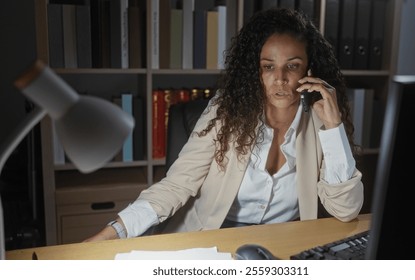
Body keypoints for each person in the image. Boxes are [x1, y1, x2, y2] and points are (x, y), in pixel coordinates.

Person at [85, 8, 363, 242]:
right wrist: (113, 232)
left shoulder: (321, 122)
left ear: (309, 70)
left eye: (292, 66)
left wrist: (333, 127)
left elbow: (346, 209)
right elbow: (176, 186)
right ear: (255, 70)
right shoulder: (227, 110)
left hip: (280, 247)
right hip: (212, 240)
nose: (279, 79)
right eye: (268, 66)